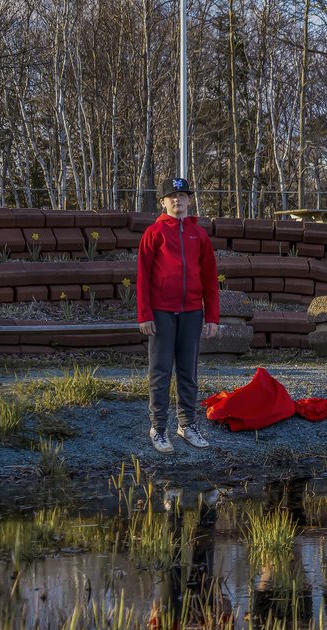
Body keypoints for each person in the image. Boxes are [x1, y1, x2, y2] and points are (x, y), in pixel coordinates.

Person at [137, 177, 220, 454]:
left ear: (189, 200)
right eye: (172, 196)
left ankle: (186, 425)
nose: (178, 200)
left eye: (182, 195)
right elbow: (143, 278)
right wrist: (144, 314)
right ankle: (159, 428)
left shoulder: (200, 235)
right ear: (163, 202)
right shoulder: (154, 233)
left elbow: (209, 278)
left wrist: (212, 317)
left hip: (192, 313)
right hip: (161, 313)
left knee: (188, 372)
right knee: (160, 372)